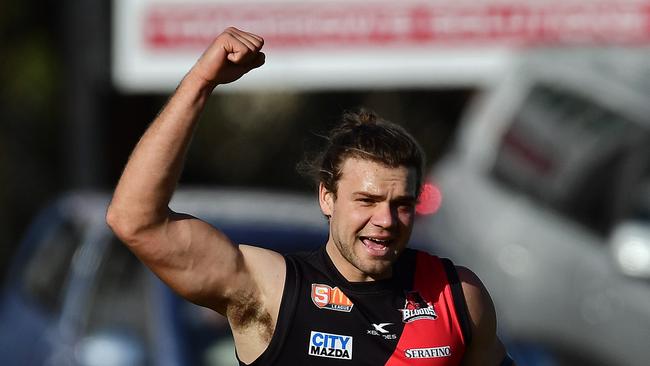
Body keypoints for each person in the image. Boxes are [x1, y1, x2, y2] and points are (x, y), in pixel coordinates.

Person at [106, 27, 515, 365]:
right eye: (367, 201)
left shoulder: (457, 296)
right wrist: (200, 82)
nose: (386, 221)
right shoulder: (271, 292)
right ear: (327, 197)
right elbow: (135, 221)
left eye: (401, 205)